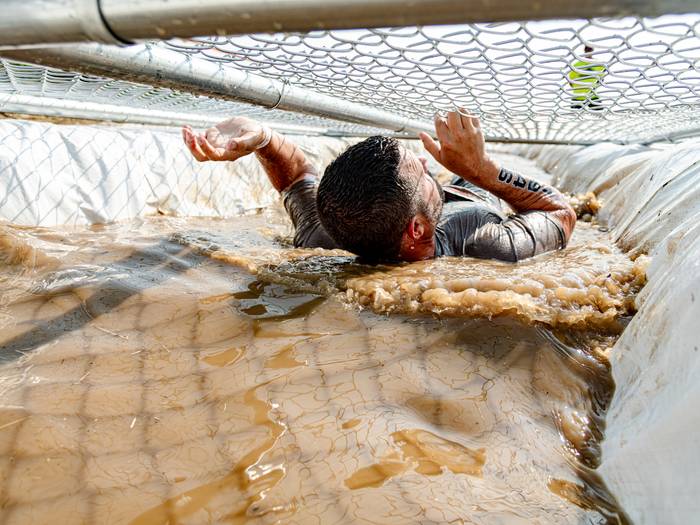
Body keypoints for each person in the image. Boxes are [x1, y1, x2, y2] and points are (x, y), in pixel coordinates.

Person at [182, 110, 575, 263]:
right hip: (474, 189)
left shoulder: (326, 232)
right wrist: (483, 171)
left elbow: (298, 176)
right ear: (416, 230)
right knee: (464, 179)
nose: (426, 161)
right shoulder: (486, 245)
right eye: (421, 170)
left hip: (415, 203)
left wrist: (263, 136)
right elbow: (561, 213)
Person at [568, 45, 606, 110]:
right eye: (587, 50)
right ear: (585, 51)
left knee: (600, 114)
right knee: (575, 117)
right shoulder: (577, 65)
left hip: (592, 95)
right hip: (578, 96)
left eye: (590, 50)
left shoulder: (598, 64)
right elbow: (570, 81)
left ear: (592, 51)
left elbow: (602, 79)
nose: (588, 51)